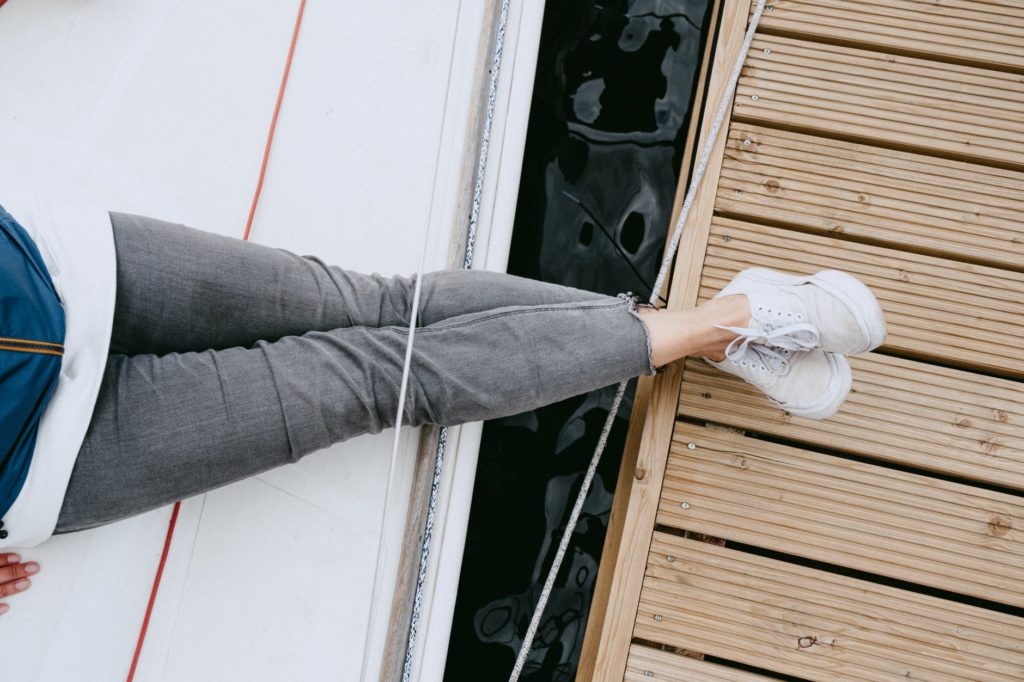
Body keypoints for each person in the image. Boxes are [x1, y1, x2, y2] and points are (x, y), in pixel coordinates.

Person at [0, 204, 886, 616]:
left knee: (381, 306)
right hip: (45, 455)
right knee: (384, 377)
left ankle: (707, 329)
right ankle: (727, 321)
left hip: (55, 265)